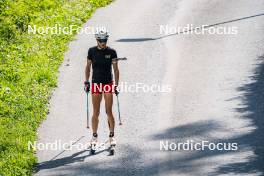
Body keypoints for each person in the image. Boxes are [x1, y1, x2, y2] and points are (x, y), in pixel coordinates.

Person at [84, 29, 119, 148]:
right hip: (95, 83)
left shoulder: (112, 52)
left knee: (109, 111)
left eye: (105, 40)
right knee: (96, 112)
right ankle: (94, 136)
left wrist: (116, 85)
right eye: (100, 40)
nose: (103, 42)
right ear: (97, 40)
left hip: (108, 83)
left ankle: (112, 136)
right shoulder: (91, 51)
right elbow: (88, 67)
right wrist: (86, 82)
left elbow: (116, 69)